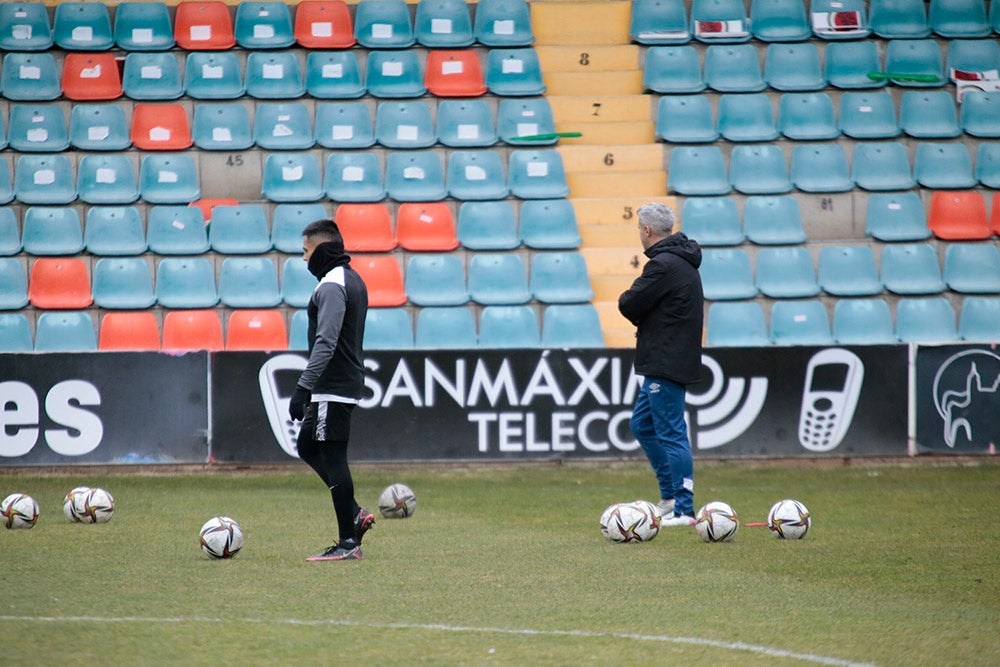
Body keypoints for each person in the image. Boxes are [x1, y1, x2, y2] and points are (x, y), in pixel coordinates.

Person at [289, 218, 374, 561]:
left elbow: (326, 341)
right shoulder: (352, 279)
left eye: (306, 251)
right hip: (341, 383)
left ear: (322, 250)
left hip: (332, 386)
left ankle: (348, 544)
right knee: (308, 445)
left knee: (334, 457)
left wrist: (303, 387)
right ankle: (353, 512)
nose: (304, 259)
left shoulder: (331, 285)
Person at [618, 202, 704, 527]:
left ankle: (683, 509)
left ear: (647, 231)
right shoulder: (683, 262)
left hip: (666, 359)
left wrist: (644, 314)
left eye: (639, 228)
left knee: (670, 432)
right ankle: (669, 498)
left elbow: (628, 302)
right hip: (666, 358)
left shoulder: (663, 266)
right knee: (641, 425)